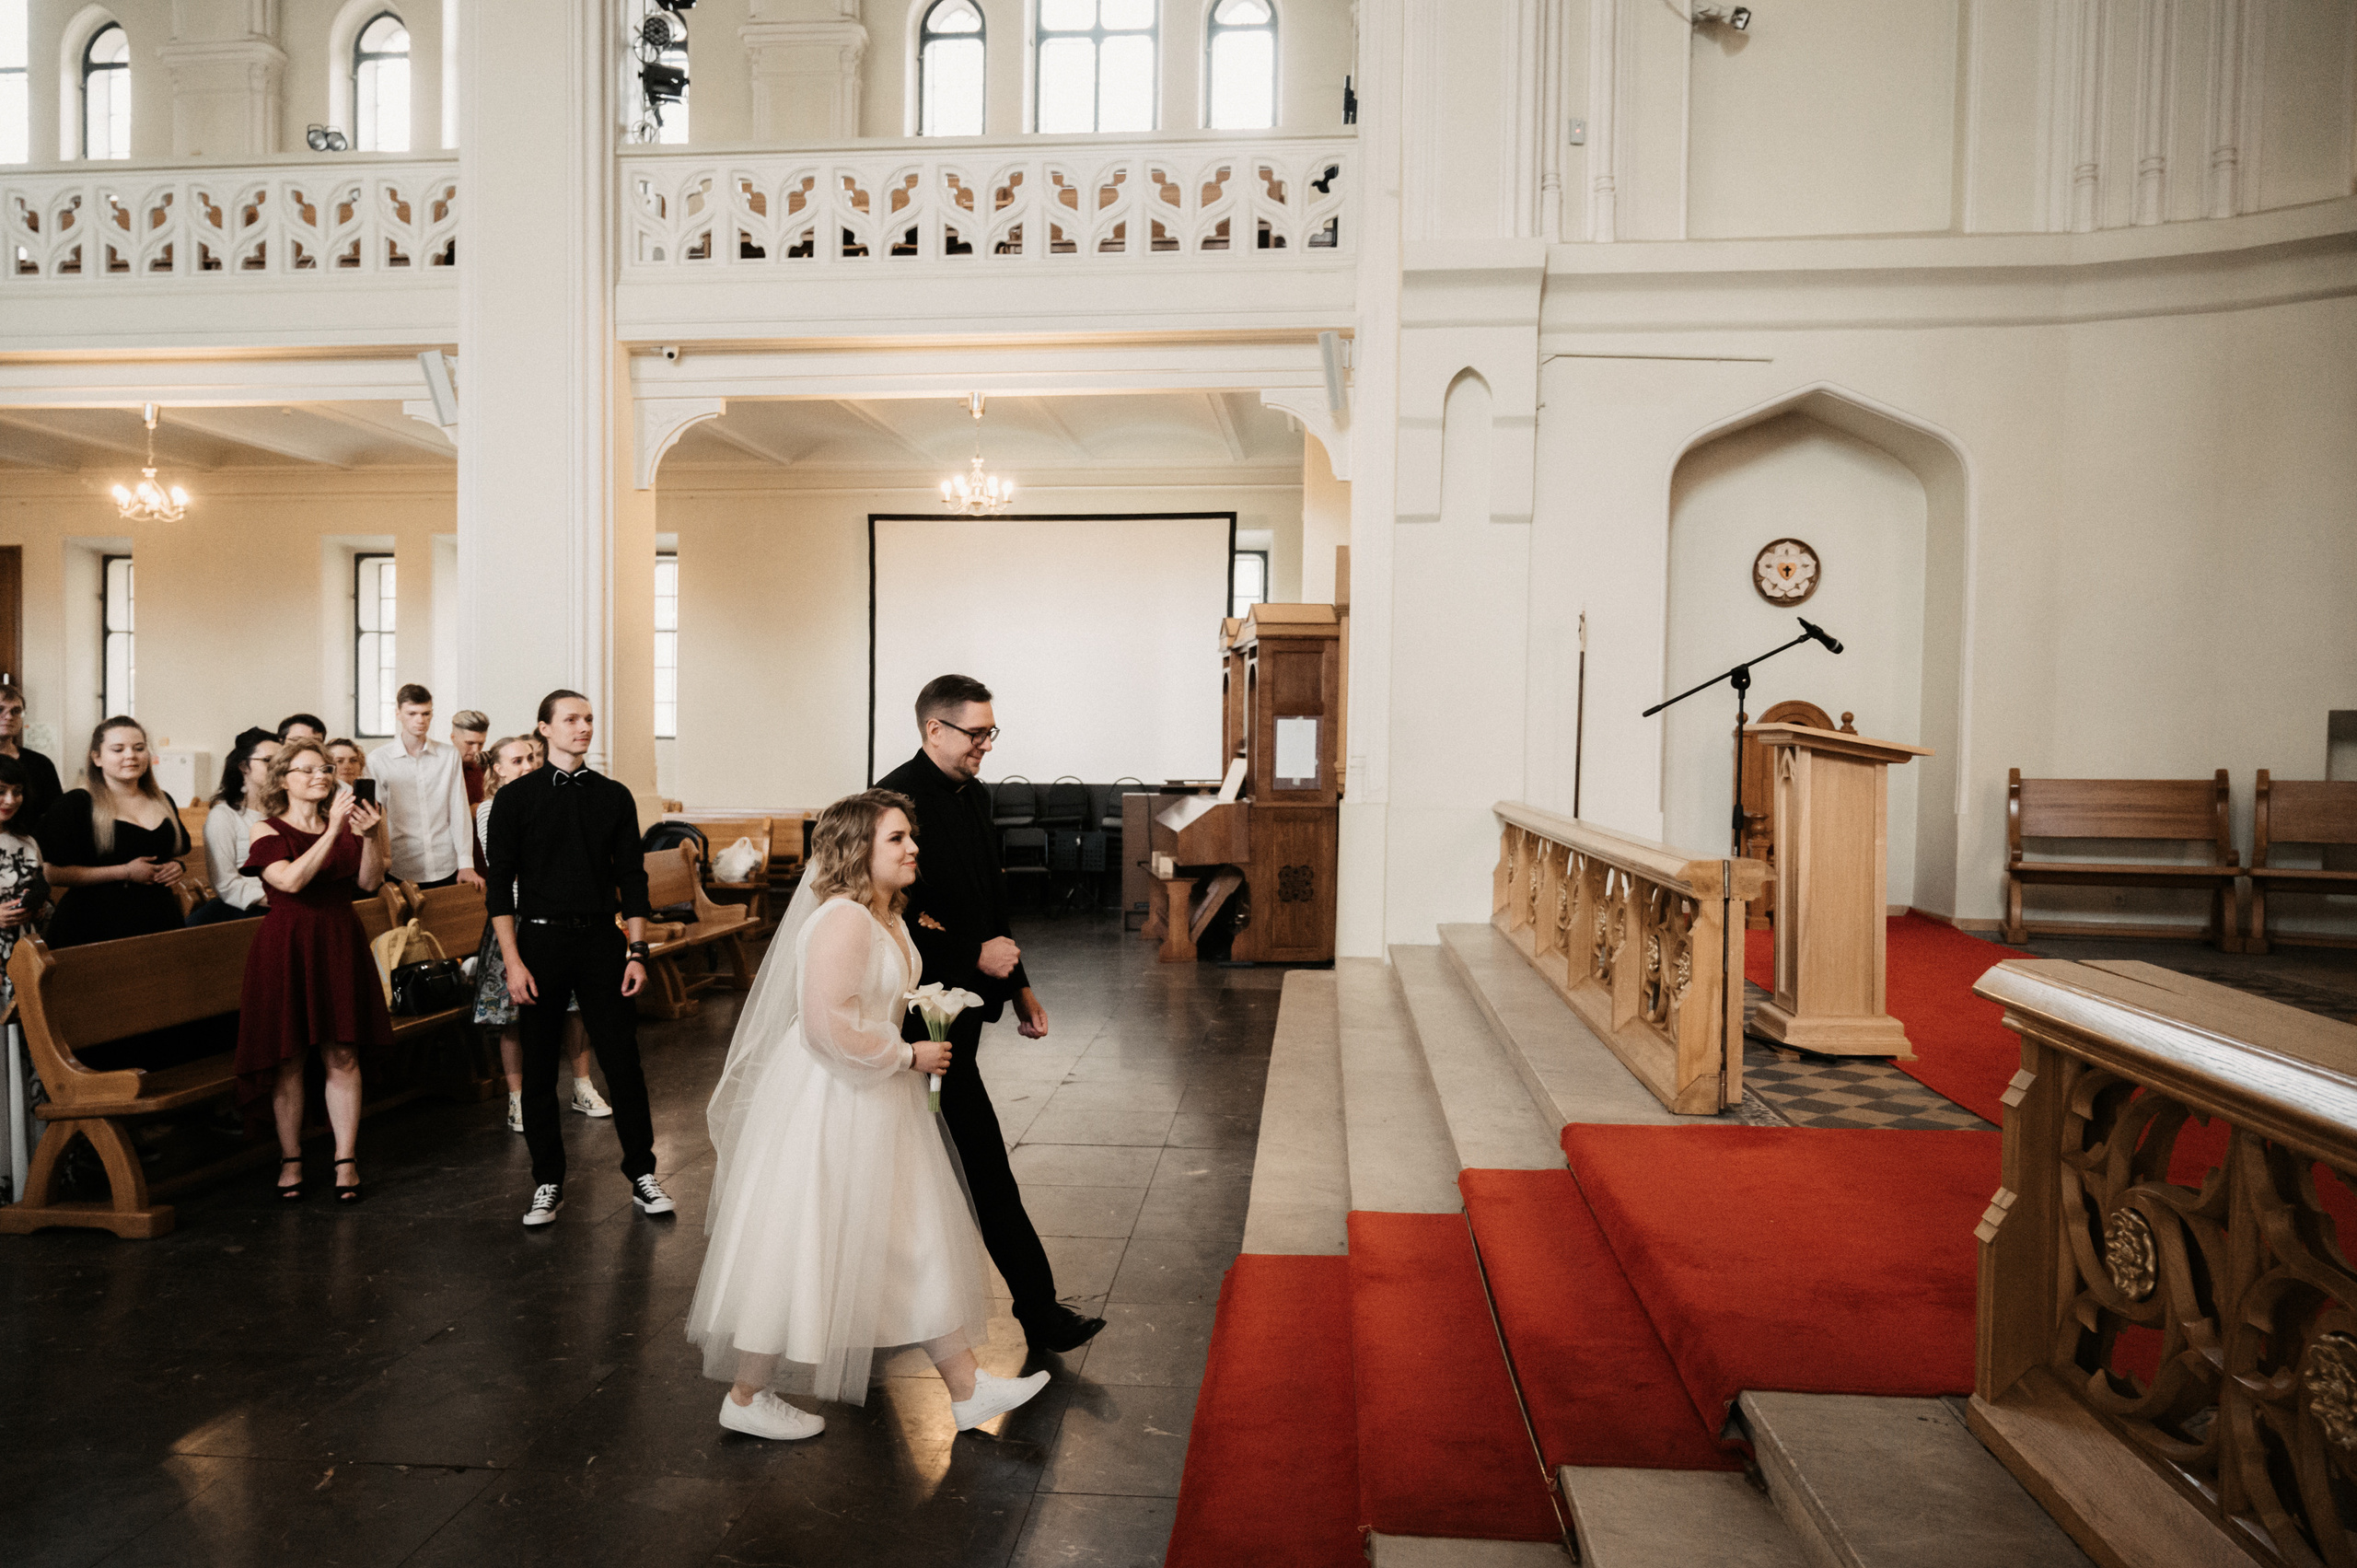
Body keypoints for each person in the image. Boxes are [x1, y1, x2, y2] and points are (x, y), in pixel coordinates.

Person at [687, 790, 1051, 1440]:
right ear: (858, 848)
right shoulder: (843, 921)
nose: (913, 847)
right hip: (833, 1099)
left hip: (879, 1092)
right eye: (897, 838)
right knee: (810, 1239)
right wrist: (907, 1050)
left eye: (911, 835)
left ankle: (966, 1387)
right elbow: (825, 1027)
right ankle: (744, 1393)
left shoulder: (887, 917)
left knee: (913, 1233)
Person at [877, 675, 1104, 1354]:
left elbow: (989, 902)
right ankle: (1033, 1310)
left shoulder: (974, 795)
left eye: (990, 732)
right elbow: (894, 912)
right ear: (933, 730)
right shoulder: (892, 801)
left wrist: (1022, 983)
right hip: (912, 1019)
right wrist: (975, 953)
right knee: (964, 1165)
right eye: (976, 733)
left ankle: (1034, 1309)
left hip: (964, 1009)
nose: (986, 745)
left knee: (962, 1164)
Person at [485, 690, 673, 1228]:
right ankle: (547, 1182)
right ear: (544, 729)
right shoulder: (516, 799)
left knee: (623, 1062)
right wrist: (513, 962)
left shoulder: (613, 795)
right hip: (539, 942)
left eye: (589, 719)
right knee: (541, 1069)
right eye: (571, 719)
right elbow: (499, 886)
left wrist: (637, 951)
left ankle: (642, 1173)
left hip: (600, 941)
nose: (584, 727)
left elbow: (631, 878)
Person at [234, 741, 393, 1203]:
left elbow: (368, 882)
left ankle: (346, 1159)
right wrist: (334, 831)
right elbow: (291, 881)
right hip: (287, 944)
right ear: (284, 779)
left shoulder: (347, 823)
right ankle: (292, 1158)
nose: (321, 777)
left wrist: (368, 836)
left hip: (339, 939)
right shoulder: (266, 828)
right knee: (288, 1058)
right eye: (307, 771)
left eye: (325, 769)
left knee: (342, 1053)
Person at [471, 733, 611, 1132]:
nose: (528, 766)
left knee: (574, 1006)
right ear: (497, 769)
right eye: (516, 761)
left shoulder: (555, 795)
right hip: (513, 918)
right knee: (513, 1011)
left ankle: (582, 1085)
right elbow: (510, 866)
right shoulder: (491, 808)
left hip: (558, 913)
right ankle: (518, 1100)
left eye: (531, 758)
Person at [38, 716, 191, 949]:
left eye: (139, 748)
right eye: (118, 749)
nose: (130, 755)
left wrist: (177, 866)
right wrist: (125, 872)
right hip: (94, 923)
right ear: (97, 757)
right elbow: (52, 873)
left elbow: (172, 852)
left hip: (158, 917)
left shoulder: (163, 800)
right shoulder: (75, 804)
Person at [366, 684, 482, 891]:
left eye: (426, 713)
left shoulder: (449, 755)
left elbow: (458, 809)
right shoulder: (378, 759)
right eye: (412, 713)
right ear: (398, 714)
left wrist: (466, 863)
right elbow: (378, 818)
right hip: (400, 863)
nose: (420, 720)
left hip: (446, 862)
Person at [190, 726, 279, 925]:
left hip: (289, 902)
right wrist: (277, 900)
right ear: (244, 767)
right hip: (247, 909)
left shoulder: (286, 811)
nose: (277, 767)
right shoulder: (224, 816)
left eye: (282, 761)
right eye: (267, 760)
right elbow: (225, 883)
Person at [0, 755, 52, 1014]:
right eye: (1, 792)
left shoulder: (27, 842)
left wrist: (40, 908)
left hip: (24, 951)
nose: (11, 800)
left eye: (17, 792)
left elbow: (39, 888)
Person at [0, 684, 65, 836]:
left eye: (15, 711)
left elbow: (54, 817)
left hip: (30, 849)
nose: (8, 716)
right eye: (0, 709)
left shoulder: (41, 764)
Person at [451, 709, 491, 877]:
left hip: (481, 853)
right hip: (452, 859)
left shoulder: (484, 768)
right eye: (469, 743)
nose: (476, 750)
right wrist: (468, 811)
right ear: (453, 738)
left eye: (481, 744)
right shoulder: (441, 770)